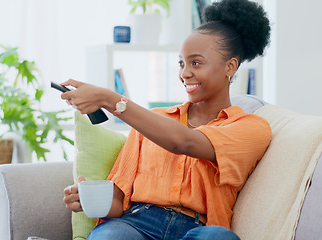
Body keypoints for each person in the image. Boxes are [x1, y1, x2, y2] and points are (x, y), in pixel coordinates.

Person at [62, 0, 271, 239]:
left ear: (230, 67)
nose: (184, 73)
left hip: (198, 230)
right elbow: (118, 202)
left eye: (196, 62)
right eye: (181, 63)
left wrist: (110, 99)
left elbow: (186, 142)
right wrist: (88, 200)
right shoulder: (154, 121)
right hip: (135, 224)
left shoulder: (250, 128)